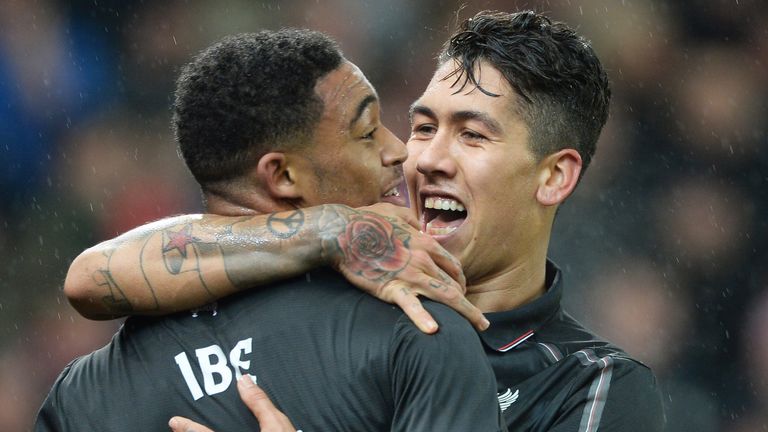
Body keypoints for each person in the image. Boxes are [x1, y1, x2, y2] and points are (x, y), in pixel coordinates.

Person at [62, 10, 666, 431]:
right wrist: (326, 231)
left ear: (555, 176)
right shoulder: (324, 294)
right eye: (425, 125)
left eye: (473, 135)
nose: (423, 156)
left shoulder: (594, 389)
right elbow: (94, 275)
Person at [35, 29, 506, 432]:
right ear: (281, 177)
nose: (398, 150)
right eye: (367, 132)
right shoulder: (422, 333)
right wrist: (334, 227)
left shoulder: (87, 394)